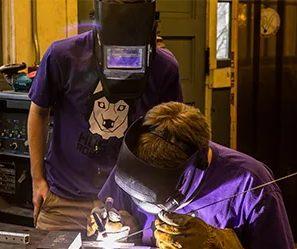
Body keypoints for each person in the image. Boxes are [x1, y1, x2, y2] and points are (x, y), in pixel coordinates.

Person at [27, 0, 183, 234]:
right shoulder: (63, 56)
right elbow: (38, 111)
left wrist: (156, 199)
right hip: (64, 200)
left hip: (126, 203)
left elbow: (170, 134)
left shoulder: (164, 68)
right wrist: (37, 179)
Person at [96, 101, 297, 249]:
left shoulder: (250, 182)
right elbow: (108, 208)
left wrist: (222, 246)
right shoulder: (137, 163)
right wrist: (124, 226)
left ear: (200, 161)